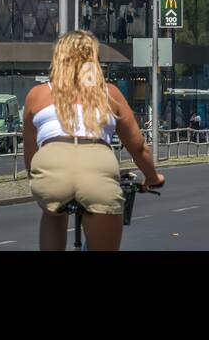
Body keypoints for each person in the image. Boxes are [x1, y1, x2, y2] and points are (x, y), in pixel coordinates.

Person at [23, 31, 164, 250]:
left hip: (51, 165)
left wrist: (39, 178)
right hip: (97, 166)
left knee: (52, 210)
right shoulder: (110, 93)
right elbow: (137, 146)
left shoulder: (38, 94)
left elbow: (31, 153)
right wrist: (152, 177)